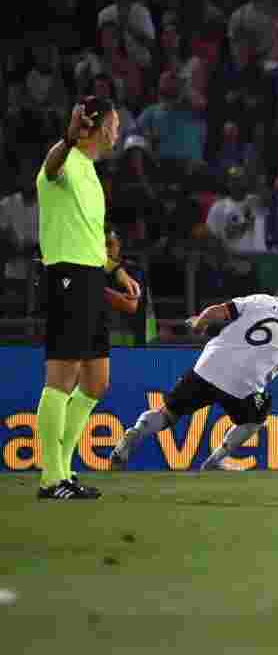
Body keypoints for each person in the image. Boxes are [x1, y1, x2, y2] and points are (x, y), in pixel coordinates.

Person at [110, 272, 278, 471]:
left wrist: (199, 323)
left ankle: (135, 433)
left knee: (167, 413)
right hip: (243, 387)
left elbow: (217, 311)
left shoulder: (261, 300)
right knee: (257, 415)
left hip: (208, 366)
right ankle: (215, 460)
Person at [34, 97, 139, 500]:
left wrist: (116, 271)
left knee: (96, 383)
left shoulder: (92, 174)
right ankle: (51, 477)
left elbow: (93, 235)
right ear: (95, 126)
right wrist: (68, 136)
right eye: (113, 124)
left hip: (91, 276)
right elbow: (50, 167)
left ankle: (63, 467)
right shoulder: (64, 161)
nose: (117, 131)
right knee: (61, 377)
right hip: (66, 276)